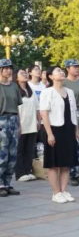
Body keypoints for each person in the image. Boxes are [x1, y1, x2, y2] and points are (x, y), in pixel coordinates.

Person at [40, 66, 79, 203]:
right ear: (50, 76)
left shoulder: (70, 92)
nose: (61, 72)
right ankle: (56, 193)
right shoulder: (47, 92)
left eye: (62, 70)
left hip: (69, 129)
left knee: (66, 163)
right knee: (54, 163)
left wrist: (76, 130)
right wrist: (49, 134)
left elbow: (74, 111)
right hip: (55, 129)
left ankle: (64, 190)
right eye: (58, 71)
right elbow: (44, 113)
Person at [0, 59, 22, 197]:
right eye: (6, 68)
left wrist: (19, 124)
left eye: (10, 68)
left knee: (12, 154)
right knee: (2, 153)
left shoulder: (14, 86)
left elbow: (17, 107)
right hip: (1, 120)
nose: (9, 71)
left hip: (13, 119)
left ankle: (7, 183)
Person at [15, 69, 39, 182]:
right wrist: (18, 124)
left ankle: (28, 171)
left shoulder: (31, 90)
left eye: (25, 73)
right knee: (20, 149)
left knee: (30, 149)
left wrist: (38, 120)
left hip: (32, 123)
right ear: (16, 77)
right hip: (21, 123)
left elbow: (37, 106)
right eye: (21, 73)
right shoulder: (15, 90)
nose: (25, 75)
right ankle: (20, 173)